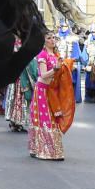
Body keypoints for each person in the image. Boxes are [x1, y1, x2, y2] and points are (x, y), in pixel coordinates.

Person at [28, 32, 65, 160]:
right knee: (45, 119)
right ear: (44, 42)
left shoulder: (55, 55)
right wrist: (55, 68)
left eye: (53, 37)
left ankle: (53, 150)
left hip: (52, 91)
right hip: (42, 90)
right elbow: (43, 75)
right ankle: (42, 149)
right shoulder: (42, 55)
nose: (52, 40)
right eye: (49, 38)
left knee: (53, 118)